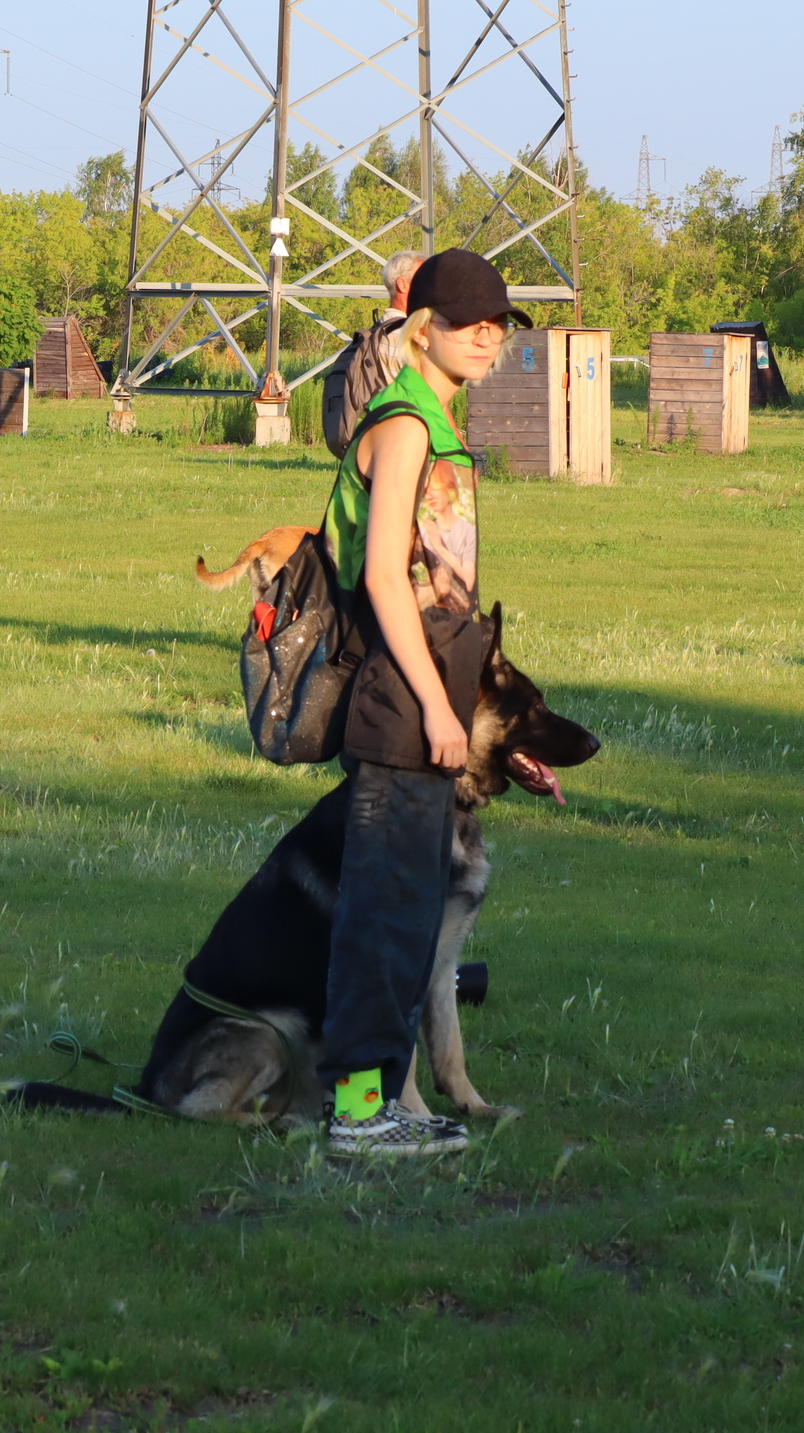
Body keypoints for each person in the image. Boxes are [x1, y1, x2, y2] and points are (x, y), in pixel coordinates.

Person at [317, 249, 526, 1157]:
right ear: (423, 328)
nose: (486, 337)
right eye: (469, 322)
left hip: (428, 690)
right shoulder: (404, 423)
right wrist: (439, 711)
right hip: (401, 699)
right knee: (380, 921)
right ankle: (358, 1112)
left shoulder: (436, 417)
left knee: (408, 922)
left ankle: (391, 1104)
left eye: (498, 325)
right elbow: (381, 578)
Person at [360, 249, 425, 401]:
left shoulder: (378, 331)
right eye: (424, 279)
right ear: (402, 285)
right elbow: (428, 401)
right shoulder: (407, 336)